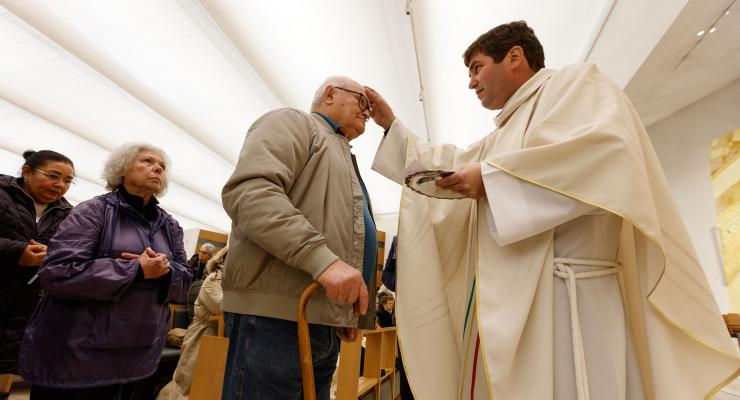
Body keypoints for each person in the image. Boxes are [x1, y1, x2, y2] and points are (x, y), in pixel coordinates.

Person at [366, 20, 739, 400]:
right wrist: (392, 127)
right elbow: (456, 164)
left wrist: (494, 181)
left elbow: (604, 152)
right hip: (510, 301)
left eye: (477, 67)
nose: (471, 82)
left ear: (514, 56)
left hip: (570, 297)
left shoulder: (576, 84)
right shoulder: (502, 135)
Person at [220, 76, 377, 399]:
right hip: (275, 319)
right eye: (362, 102)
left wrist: (344, 311)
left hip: (320, 318)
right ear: (330, 94)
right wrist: (323, 261)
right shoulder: (294, 122)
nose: (368, 113)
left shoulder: (342, 154)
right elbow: (250, 193)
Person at [19, 143, 192, 400]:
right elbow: (58, 271)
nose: (157, 168)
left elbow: (186, 278)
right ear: (121, 169)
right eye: (146, 161)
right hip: (80, 355)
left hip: (139, 352)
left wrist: (165, 272)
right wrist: (136, 269)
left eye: (162, 166)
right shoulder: (93, 211)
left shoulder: (170, 225)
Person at [0, 150, 74, 394]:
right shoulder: (3, 193)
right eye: (53, 176)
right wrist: (15, 252)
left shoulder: (69, 214)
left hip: (26, 304)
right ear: (26, 171)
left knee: (6, 365)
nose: (60, 185)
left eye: (67, 181)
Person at [157, 246, 227, 400]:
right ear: (222, 261)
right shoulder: (213, 280)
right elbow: (222, 307)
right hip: (201, 336)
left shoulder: (228, 283)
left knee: (204, 388)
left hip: (217, 339)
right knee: (186, 386)